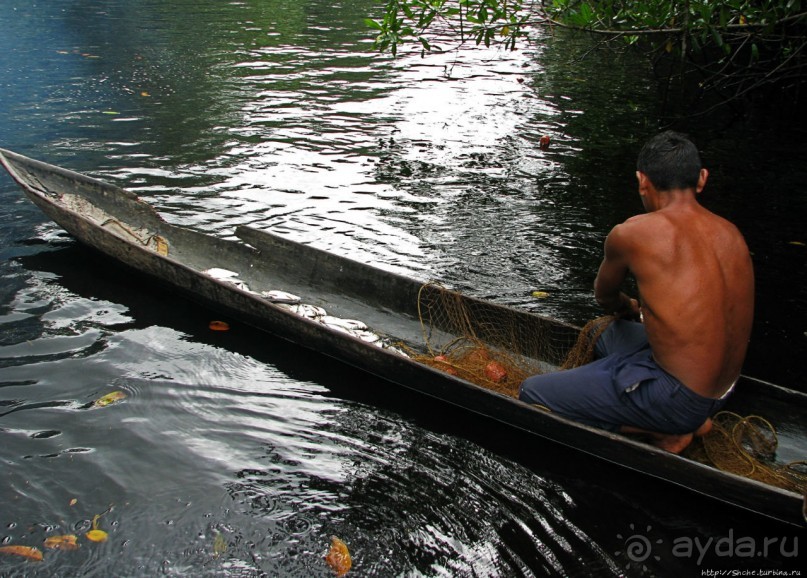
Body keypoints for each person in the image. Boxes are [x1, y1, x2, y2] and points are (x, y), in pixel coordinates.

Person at [519, 131, 755, 453]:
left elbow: (605, 298)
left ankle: (663, 429)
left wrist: (628, 305)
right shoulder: (732, 234)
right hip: (723, 391)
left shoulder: (632, 233)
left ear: (642, 181)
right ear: (701, 179)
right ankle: (676, 413)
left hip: (679, 399)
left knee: (532, 394)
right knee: (599, 336)